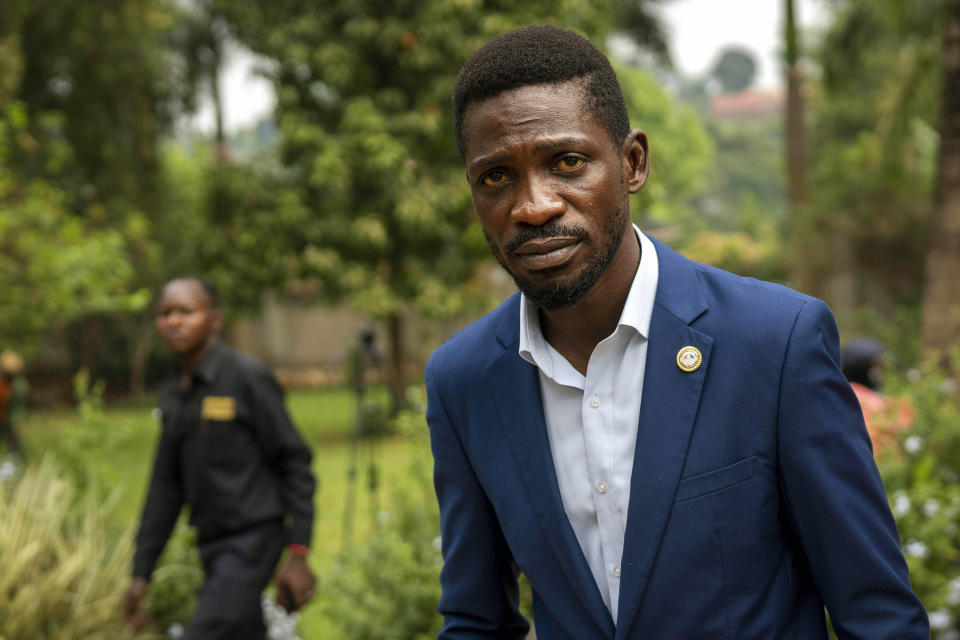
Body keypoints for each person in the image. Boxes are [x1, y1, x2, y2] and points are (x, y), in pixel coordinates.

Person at [424, 25, 928, 639]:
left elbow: (878, 618)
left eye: (568, 162)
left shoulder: (774, 343)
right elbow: (476, 621)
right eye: (496, 176)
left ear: (632, 162)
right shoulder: (464, 381)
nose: (534, 205)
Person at [122, 277, 317, 638]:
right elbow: (165, 486)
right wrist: (141, 572)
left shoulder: (247, 377)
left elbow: (295, 461)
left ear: (215, 319)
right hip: (211, 546)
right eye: (165, 313)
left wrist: (299, 554)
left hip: (254, 540)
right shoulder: (174, 390)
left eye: (186, 311)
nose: (174, 321)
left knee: (207, 632)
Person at [842, 337, 912, 455]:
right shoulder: (856, 397)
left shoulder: (842, 394)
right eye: (876, 367)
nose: (880, 372)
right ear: (860, 366)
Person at [0, 350, 28, 459]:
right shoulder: (3, 382)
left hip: (9, 422)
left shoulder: (19, 386)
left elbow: (18, 409)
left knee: (13, 449)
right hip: (4, 420)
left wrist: (17, 425)